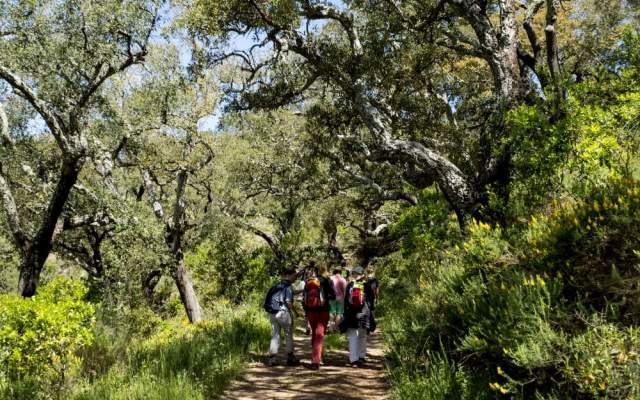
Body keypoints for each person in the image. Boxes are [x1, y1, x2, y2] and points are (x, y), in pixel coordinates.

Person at [263, 267, 299, 367]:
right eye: (295, 276)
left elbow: (291, 293)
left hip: (273, 313)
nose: (296, 278)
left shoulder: (277, 286)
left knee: (275, 335)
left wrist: (301, 291)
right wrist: (296, 313)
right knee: (288, 334)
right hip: (283, 313)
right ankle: (290, 358)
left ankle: (272, 359)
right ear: (290, 275)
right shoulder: (288, 286)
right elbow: (288, 302)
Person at [302, 263, 335, 370]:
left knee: (315, 334)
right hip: (323, 311)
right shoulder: (327, 280)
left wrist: (306, 311)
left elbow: (304, 297)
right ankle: (316, 360)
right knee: (319, 335)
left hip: (311, 311)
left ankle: (316, 354)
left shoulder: (309, 281)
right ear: (325, 270)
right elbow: (333, 296)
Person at [342, 265, 373, 367]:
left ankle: (353, 359)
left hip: (351, 313)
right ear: (363, 275)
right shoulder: (367, 285)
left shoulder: (350, 285)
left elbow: (346, 300)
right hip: (364, 312)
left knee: (352, 336)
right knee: (362, 335)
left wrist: (345, 313)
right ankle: (361, 356)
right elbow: (371, 300)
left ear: (353, 274)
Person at [329, 267, 347, 332]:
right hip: (341, 298)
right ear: (340, 272)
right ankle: (336, 328)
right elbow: (345, 291)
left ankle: (331, 327)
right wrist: (344, 299)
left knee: (331, 312)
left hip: (331, 298)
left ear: (334, 271)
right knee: (339, 313)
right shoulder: (343, 279)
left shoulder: (330, 278)